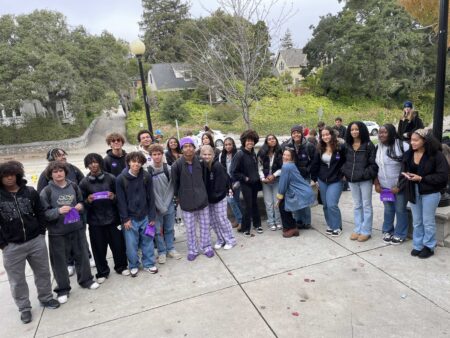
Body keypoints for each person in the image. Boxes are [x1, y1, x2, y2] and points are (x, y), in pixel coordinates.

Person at [0, 161, 60, 324]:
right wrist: (3, 243)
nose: (9, 178)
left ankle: (46, 298)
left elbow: (40, 213)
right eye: (5, 175)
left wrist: (41, 232)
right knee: (17, 279)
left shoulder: (30, 192)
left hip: (35, 241)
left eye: (12, 174)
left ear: (18, 174)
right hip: (11, 246)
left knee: (43, 272)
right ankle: (24, 308)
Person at [40, 161, 100, 305]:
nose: (59, 173)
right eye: (55, 172)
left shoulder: (73, 186)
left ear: (65, 172)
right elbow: (43, 213)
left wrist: (81, 205)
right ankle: (63, 289)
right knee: (59, 262)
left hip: (77, 228)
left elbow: (82, 202)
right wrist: (58, 211)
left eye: (61, 171)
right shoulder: (46, 191)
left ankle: (86, 280)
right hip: (58, 233)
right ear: (50, 175)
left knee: (83, 256)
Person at [36, 148, 91, 275]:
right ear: (51, 159)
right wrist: (57, 211)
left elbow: (82, 185)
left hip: (76, 216)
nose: (63, 157)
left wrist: (81, 205)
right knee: (65, 245)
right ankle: (69, 263)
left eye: (63, 154)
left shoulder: (73, 169)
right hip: (59, 222)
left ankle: (86, 257)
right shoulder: (45, 177)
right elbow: (42, 201)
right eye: (59, 155)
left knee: (80, 240)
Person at [79, 154, 130, 283]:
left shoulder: (111, 178)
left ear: (100, 163)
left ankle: (121, 266)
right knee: (98, 248)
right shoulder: (84, 183)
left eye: (95, 162)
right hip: (95, 221)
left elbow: (121, 198)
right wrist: (87, 201)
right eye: (90, 163)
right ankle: (102, 272)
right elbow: (81, 203)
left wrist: (114, 197)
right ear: (87, 165)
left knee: (118, 245)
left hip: (113, 219)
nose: (93, 165)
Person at [398, 129, 449, 258]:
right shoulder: (409, 154)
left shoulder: (436, 155)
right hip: (413, 190)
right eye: (411, 140)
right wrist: (405, 174)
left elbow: (442, 176)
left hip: (430, 192)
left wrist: (421, 178)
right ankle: (418, 244)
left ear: (425, 141)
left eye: (416, 140)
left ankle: (429, 246)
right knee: (417, 221)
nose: (412, 143)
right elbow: (404, 168)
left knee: (428, 221)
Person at [116, 152, 158, 276]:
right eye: (134, 161)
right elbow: (121, 200)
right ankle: (133, 265)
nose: (136, 164)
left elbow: (151, 197)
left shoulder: (146, 176)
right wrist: (125, 219)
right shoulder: (120, 179)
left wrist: (152, 216)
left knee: (148, 242)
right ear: (129, 162)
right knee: (131, 245)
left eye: (139, 162)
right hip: (130, 219)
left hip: (145, 216)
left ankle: (149, 264)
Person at [171, 137, 214, 261]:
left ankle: (206, 247)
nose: (188, 148)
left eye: (190, 146)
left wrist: (203, 193)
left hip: (202, 200)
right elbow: (175, 184)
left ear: (194, 148)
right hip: (187, 202)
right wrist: (179, 198)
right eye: (185, 146)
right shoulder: (176, 166)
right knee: (190, 228)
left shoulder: (201, 162)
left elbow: (206, 180)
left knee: (205, 225)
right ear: (182, 149)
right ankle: (192, 250)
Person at [341, 121, 378, 242]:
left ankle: (366, 231)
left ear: (361, 130)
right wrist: (345, 172)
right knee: (357, 205)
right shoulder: (346, 145)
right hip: (352, 180)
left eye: (356, 129)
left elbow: (373, 164)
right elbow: (342, 161)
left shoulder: (368, 145)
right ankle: (357, 229)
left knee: (366, 205)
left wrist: (364, 174)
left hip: (364, 180)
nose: (354, 132)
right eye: (352, 130)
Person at [374, 124, 409, 245]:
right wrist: (376, 183)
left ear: (392, 133)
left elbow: (409, 167)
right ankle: (387, 231)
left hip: (399, 186)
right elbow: (375, 167)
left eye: (384, 132)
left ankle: (400, 234)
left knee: (400, 209)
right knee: (388, 209)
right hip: (385, 187)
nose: (381, 134)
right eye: (380, 132)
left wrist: (399, 186)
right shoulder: (377, 146)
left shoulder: (402, 145)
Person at [148, 144, 182, 263]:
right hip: (155, 207)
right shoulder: (148, 171)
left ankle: (170, 249)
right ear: (151, 156)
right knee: (157, 231)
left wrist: (166, 204)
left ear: (162, 155)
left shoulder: (169, 168)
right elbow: (150, 192)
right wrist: (159, 205)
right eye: (154, 154)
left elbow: (171, 188)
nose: (157, 157)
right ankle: (161, 251)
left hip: (168, 205)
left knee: (169, 229)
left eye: (159, 154)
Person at [311, 127, 346, 237]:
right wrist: (315, 179)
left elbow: (346, 161)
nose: (325, 137)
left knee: (332, 204)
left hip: (336, 180)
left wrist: (344, 174)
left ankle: (337, 226)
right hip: (322, 180)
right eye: (323, 135)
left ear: (332, 134)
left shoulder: (340, 147)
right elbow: (315, 164)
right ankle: (330, 224)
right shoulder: (319, 148)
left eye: (327, 134)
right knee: (325, 205)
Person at [201, 145, 237, 250]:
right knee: (213, 220)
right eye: (204, 154)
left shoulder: (217, 166)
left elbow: (221, 185)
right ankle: (221, 239)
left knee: (221, 219)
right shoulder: (203, 166)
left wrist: (215, 196)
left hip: (219, 198)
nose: (206, 157)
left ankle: (230, 239)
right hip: (209, 199)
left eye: (209, 154)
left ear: (213, 155)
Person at [281, 125, 316, 229]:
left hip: (304, 177)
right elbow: (282, 157)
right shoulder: (287, 146)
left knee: (304, 199)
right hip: (292, 177)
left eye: (298, 132)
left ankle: (307, 221)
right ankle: (298, 221)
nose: (296, 134)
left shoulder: (309, 145)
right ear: (291, 134)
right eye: (293, 133)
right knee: (295, 199)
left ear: (301, 133)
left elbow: (314, 161)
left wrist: (308, 170)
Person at [277, 148, 315, 238]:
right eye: (284, 154)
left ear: (292, 158)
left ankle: (292, 228)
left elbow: (283, 184)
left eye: (288, 155)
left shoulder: (286, 166)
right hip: (302, 190)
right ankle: (289, 226)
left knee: (283, 206)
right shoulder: (291, 165)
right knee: (284, 206)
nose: (285, 157)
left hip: (300, 192)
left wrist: (279, 197)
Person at [230, 130, 263, 236]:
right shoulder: (239, 154)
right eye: (248, 141)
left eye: (252, 141)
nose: (250, 143)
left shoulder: (253, 153)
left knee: (254, 204)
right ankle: (246, 228)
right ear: (244, 141)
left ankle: (257, 225)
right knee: (248, 206)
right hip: (246, 184)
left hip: (254, 183)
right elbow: (233, 171)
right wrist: (245, 178)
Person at [257, 134, 283, 231]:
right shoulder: (262, 152)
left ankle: (278, 221)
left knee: (277, 201)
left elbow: (282, 167)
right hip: (265, 182)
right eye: (269, 139)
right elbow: (259, 167)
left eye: (273, 139)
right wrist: (262, 177)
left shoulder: (280, 152)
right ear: (266, 142)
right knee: (268, 202)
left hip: (276, 180)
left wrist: (274, 175)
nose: (272, 140)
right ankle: (271, 221)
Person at [220, 137, 242, 229]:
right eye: (226, 145)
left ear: (233, 145)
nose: (228, 146)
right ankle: (240, 219)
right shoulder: (222, 155)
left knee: (234, 200)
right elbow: (220, 168)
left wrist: (238, 181)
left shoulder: (237, 154)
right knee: (231, 200)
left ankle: (240, 220)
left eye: (230, 144)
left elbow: (241, 168)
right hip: (227, 181)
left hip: (236, 181)